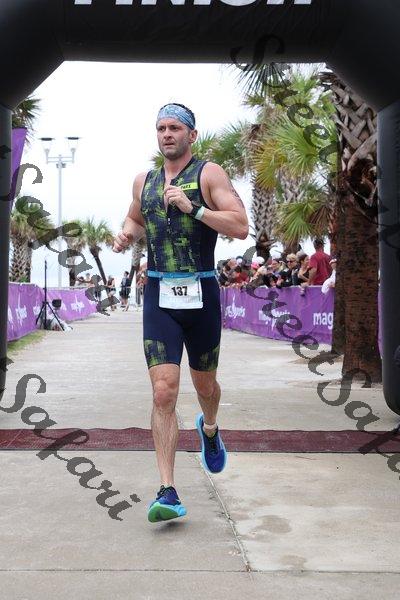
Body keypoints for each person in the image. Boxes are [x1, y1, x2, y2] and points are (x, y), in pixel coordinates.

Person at [112, 102, 248, 523]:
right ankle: (167, 490)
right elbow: (135, 219)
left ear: (191, 134)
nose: (167, 134)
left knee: (206, 386)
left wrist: (196, 210)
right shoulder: (145, 181)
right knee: (163, 391)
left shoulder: (209, 174)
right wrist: (126, 235)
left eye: (174, 127)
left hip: (202, 291)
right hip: (159, 294)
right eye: (161, 128)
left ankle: (210, 428)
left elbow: (240, 225)